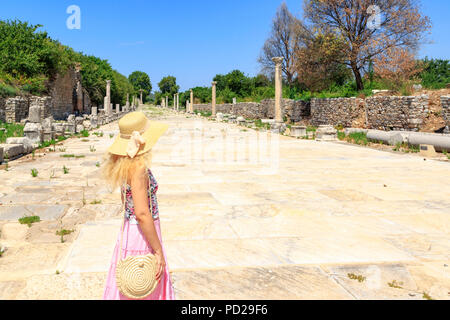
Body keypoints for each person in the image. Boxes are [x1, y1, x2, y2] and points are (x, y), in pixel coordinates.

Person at [102, 111, 175, 300]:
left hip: (129, 231)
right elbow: (142, 213)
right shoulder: (138, 168)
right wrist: (158, 251)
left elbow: (126, 202)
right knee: (146, 280)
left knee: (130, 281)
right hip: (142, 234)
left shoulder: (124, 164)